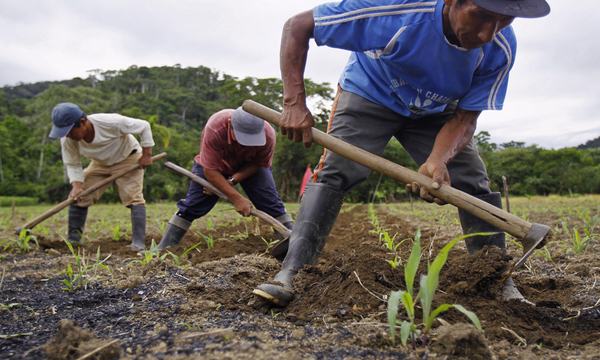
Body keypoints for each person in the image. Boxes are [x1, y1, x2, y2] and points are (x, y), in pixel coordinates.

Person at [253, 0, 550, 307]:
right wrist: (293, 102)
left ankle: (498, 280)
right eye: (481, 16)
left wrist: (438, 160)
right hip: (370, 92)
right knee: (337, 170)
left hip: (436, 110)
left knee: (472, 180)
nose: (488, 33)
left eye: (505, 21)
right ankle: (291, 271)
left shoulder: (499, 48)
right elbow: (298, 26)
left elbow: (465, 119)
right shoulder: (395, 10)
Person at [155, 107, 293, 251]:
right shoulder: (215, 128)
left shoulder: (268, 135)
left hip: (250, 165)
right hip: (215, 166)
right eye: (242, 137)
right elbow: (210, 170)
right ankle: (164, 247)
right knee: (193, 205)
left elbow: (258, 163)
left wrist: (231, 182)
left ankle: (294, 244)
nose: (247, 144)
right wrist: (236, 198)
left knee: (271, 203)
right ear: (229, 126)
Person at [49, 102, 155, 250]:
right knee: (80, 195)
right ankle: (74, 239)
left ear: (83, 122)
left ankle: (138, 242)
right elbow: (73, 164)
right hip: (100, 163)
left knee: (133, 196)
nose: (68, 135)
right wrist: (77, 186)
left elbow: (144, 126)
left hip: (127, 157)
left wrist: (147, 155)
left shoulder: (111, 122)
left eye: (70, 131)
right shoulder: (68, 139)